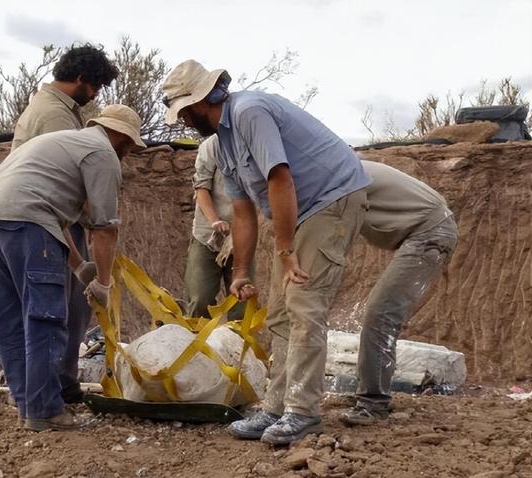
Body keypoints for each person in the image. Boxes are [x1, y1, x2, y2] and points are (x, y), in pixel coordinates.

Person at [162, 60, 371, 445]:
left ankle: (303, 412)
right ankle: (277, 407)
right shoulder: (221, 143)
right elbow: (243, 210)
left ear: (199, 100)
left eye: (185, 112)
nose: (185, 121)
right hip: (299, 210)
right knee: (279, 311)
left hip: (330, 199)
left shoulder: (249, 111)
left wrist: (286, 248)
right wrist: (241, 271)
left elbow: (280, 177)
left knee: (304, 303)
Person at [0, 105, 145, 431]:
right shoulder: (103, 152)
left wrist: (79, 268)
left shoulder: (61, 143)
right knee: (45, 317)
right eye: (131, 145)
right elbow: (104, 229)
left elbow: (56, 217)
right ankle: (46, 410)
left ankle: (27, 404)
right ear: (120, 136)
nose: (129, 153)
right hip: (27, 225)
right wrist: (103, 284)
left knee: (11, 320)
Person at [11, 43, 118, 404]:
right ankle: (56, 387)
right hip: (48, 217)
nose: (96, 94)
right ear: (80, 78)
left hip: (38, 214)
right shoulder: (56, 116)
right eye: (96, 86)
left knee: (62, 303)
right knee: (62, 306)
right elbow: (61, 179)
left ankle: (41, 389)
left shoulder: (51, 107)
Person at [340, 159, 458, 426]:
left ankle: (372, 403)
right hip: (426, 228)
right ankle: (371, 395)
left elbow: (333, 239)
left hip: (429, 232)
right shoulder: (344, 170)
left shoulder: (338, 178)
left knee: (381, 314)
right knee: (380, 313)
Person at [184, 134, 252, 320]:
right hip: (206, 235)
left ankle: (238, 347)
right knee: (200, 298)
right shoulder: (212, 145)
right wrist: (214, 220)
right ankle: (198, 346)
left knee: (242, 303)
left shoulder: (257, 143)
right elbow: (201, 187)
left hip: (242, 235)